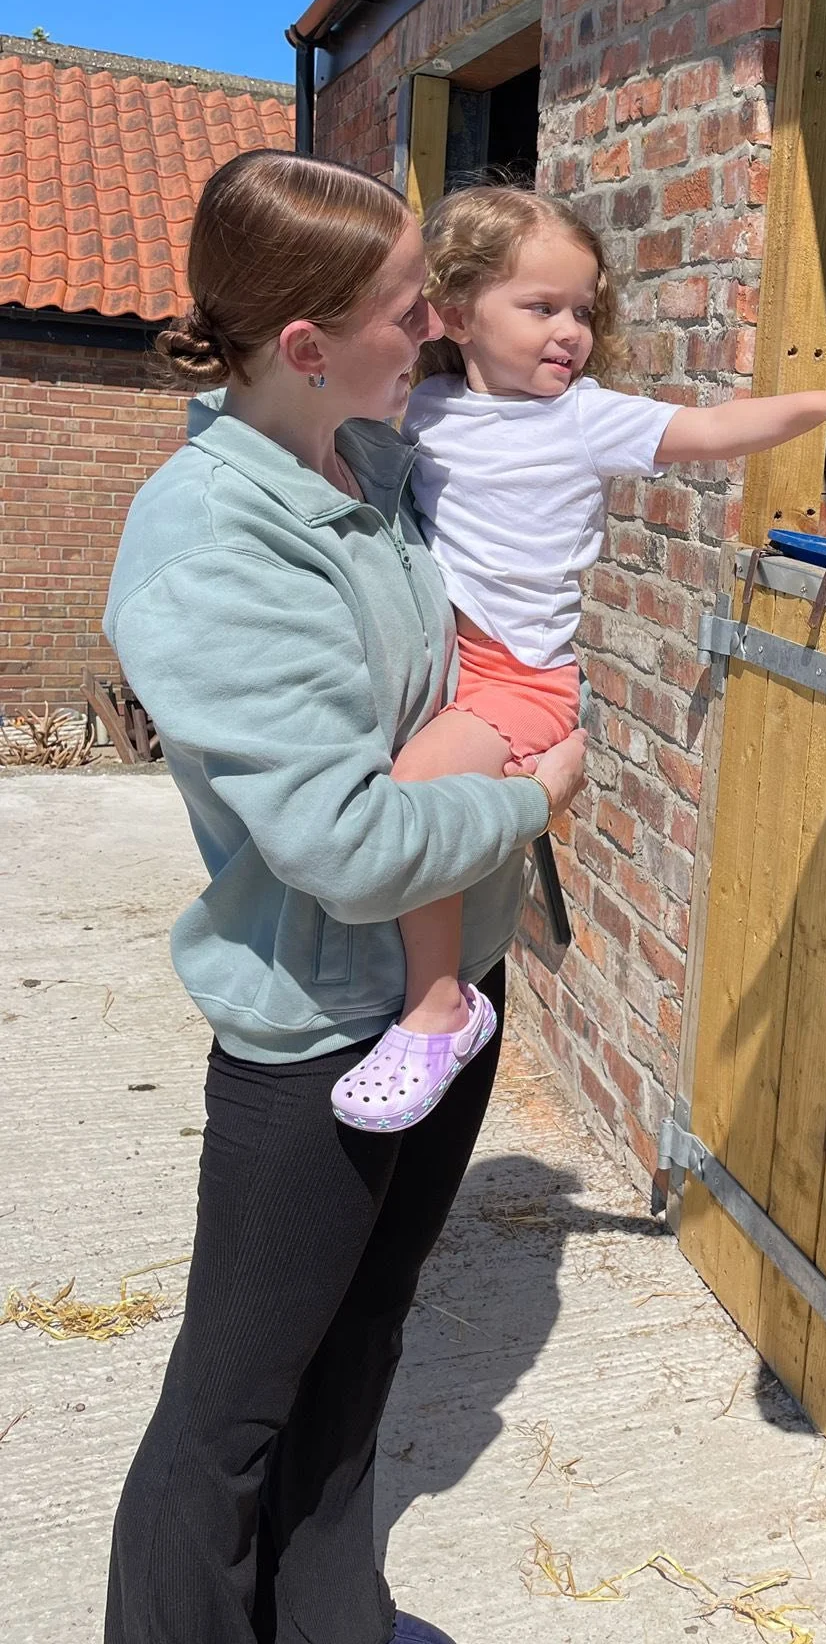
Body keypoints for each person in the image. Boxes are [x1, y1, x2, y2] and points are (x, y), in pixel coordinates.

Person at [102, 150, 586, 1644]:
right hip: (317, 1033)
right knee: (231, 1416)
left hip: (446, 1005)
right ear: (303, 346)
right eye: (405, 308)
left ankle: (333, 1623)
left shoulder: (367, 466)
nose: (434, 328)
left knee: (363, 1345)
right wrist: (536, 793)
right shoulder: (207, 539)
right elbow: (346, 843)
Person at [329, 182, 826, 1134]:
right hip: (443, 661)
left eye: (583, 310)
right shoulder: (425, 407)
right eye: (541, 307)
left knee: (415, 796)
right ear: (456, 312)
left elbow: (710, 430)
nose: (570, 331)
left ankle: (439, 1011)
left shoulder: (584, 419)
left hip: (520, 678)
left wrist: (825, 404)